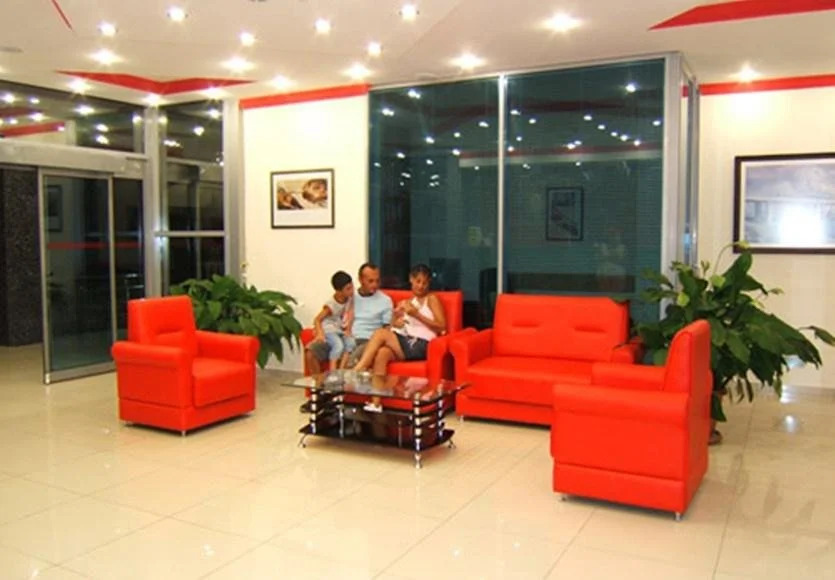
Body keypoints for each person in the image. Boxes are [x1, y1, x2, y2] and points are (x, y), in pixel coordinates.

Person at [352, 264, 446, 412]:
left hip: (422, 343)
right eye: (418, 281)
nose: (421, 286)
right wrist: (396, 321)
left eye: (425, 282)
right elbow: (395, 327)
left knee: (380, 333)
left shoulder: (431, 299)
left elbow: (441, 326)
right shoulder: (408, 302)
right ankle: (376, 403)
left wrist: (417, 315)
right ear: (411, 280)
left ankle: (358, 369)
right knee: (382, 353)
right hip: (407, 340)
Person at [305, 262, 393, 375]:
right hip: (342, 336)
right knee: (311, 352)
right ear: (360, 280)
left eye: (377, 281)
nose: (375, 285)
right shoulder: (349, 295)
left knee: (350, 362)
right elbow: (331, 313)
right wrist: (320, 331)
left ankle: (338, 382)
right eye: (370, 281)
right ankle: (319, 385)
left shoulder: (385, 301)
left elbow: (386, 329)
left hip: (366, 340)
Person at [308, 270, 356, 369]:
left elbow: (350, 313)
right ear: (339, 291)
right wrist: (320, 333)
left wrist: (348, 329)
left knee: (350, 343)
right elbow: (317, 319)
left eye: (352, 286)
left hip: (339, 329)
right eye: (348, 289)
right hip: (329, 329)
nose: (352, 291)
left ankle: (341, 370)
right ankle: (332, 371)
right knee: (338, 346)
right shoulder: (331, 305)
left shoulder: (350, 298)